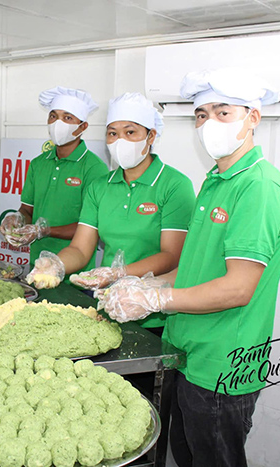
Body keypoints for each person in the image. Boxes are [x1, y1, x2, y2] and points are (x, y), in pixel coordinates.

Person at [98, 69, 280, 467]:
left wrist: (157, 299)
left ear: (252, 117)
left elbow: (238, 288)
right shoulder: (216, 180)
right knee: (184, 456)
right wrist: (137, 285)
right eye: (201, 114)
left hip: (223, 364)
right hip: (189, 353)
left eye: (223, 112)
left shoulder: (258, 187)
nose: (209, 123)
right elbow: (193, 270)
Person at [26, 92, 195, 331]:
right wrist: (56, 265)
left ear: (151, 136)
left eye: (130, 132)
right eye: (112, 133)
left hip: (155, 313)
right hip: (107, 306)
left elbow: (172, 255)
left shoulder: (174, 185)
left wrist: (119, 273)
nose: (120, 141)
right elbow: (80, 249)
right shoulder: (100, 187)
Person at [0, 86, 109, 279]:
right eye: (53, 116)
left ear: (82, 127)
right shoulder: (38, 164)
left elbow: (93, 228)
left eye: (67, 118)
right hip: (37, 265)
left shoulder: (94, 168)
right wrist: (16, 218)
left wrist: (43, 231)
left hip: (75, 271)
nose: (58, 123)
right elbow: (27, 209)